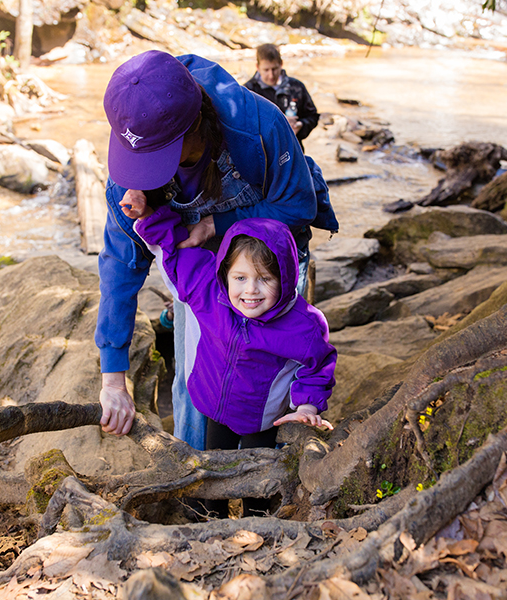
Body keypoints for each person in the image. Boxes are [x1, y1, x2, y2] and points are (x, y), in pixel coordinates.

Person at [95, 50, 338, 450]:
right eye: (140, 163)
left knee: (284, 358)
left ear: (196, 129)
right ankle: (196, 476)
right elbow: (120, 266)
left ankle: (281, 464)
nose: (145, 173)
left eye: (156, 163)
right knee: (200, 373)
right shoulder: (132, 149)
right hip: (199, 265)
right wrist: (113, 378)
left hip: (272, 255)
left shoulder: (258, 125)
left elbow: (298, 205)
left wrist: (213, 224)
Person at [121, 192, 336, 517]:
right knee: (214, 468)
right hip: (211, 405)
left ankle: (257, 523)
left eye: (265, 279)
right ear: (225, 274)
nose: (250, 290)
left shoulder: (302, 325)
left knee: (257, 479)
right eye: (240, 278)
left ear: (287, 277)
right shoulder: (209, 289)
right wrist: (149, 213)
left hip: (260, 420)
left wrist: (306, 406)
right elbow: (173, 252)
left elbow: (317, 367)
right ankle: (212, 518)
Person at [243, 44, 319, 151]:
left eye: (275, 69)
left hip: (293, 149)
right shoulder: (248, 92)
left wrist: (300, 125)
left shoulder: (296, 87)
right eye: (266, 70)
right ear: (257, 67)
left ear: (281, 64)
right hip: (262, 153)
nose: (271, 75)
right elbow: (243, 125)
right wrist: (279, 123)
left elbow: (312, 116)